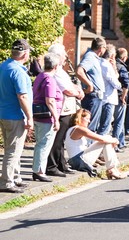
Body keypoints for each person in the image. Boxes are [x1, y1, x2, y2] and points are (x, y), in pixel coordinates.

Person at [0, 39, 34, 193]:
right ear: (25, 54)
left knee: (12, 148)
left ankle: (15, 177)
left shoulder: (4, 66)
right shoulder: (18, 71)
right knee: (13, 151)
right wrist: (30, 117)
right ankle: (6, 182)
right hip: (15, 115)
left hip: (4, 113)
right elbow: (23, 97)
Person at [46, 43, 84, 177]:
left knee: (61, 140)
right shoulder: (55, 72)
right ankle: (51, 166)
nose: (66, 56)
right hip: (61, 109)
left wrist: (77, 88)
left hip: (67, 108)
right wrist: (77, 93)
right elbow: (66, 89)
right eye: (63, 54)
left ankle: (61, 164)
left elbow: (69, 84)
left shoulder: (61, 70)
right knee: (57, 140)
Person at [65, 108, 126, 179]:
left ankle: (113, 168)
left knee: (107, 139)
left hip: (77, 159)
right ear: (80, 118)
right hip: (79, 160)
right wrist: (114, 140)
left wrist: (111, 140)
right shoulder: (79, 129)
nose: (89, 121)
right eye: (87, 118)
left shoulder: (73, 129)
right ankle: (112, 169)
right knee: (106, 139)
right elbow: (101, 139)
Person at [31, 53, 63, 182]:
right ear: (55, 66)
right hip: (47, 117)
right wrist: (56, 118)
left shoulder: (40, 76)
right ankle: (39, 171)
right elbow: (50, 100)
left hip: (38, 115)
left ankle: (37, 170)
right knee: (44, 144)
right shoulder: (50, 79)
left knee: (40, 143)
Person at [76, 37, 107, 132]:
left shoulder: (93, 57)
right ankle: (86, 145)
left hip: (95, 96)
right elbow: (79, 71)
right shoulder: (90, 56)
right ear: (101, 48)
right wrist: (90, 85)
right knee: (90, 127)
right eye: (105, 47)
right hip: (93, 96)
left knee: (91, 125)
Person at [97, 44, 122, 135]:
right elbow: (114, 82)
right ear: (112, 55)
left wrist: (114, 66)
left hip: (102, 97)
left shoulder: (99, 62)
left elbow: (115, 76)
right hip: (108, 98)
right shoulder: (106, 65)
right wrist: (120, 86)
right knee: (105, 126)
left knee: (102, 124)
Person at [113, 47, 129, 151]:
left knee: (118, 121)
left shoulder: (114, 65)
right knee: (119, 121)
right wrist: (123, 97)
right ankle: (116, 143)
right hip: (119, 96)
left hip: (113, 95)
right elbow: (126, 83)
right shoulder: (122, 67)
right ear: (124, 57)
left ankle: (121, 142)